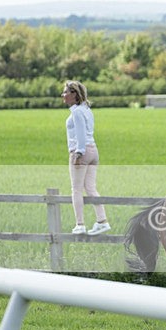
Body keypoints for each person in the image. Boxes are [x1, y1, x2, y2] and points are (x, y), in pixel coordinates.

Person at [62, 80, 111, 236]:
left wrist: (78, 152)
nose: (63, 95)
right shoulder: (87, 110)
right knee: (90, 188)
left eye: (66, 92)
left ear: (74, 94)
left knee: (76, 189)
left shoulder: (76, 112)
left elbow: (81, 134)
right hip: (93, 151)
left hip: (81, 152)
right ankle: (102, 221)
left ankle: (80, 224)